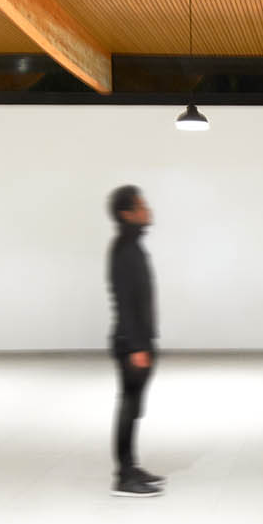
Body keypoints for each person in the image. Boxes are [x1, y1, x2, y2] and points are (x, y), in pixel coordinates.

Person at [106, 184, 164, 496]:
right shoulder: (124, 250)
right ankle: (124, 476)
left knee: (134, 407)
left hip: (139, 341)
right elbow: (125, 303)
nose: (147, 210)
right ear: (127, 214)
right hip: (132, 344)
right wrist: (137, 346)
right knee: (129, 407)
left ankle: (131, 466)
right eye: (141, 206)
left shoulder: (132, 246)